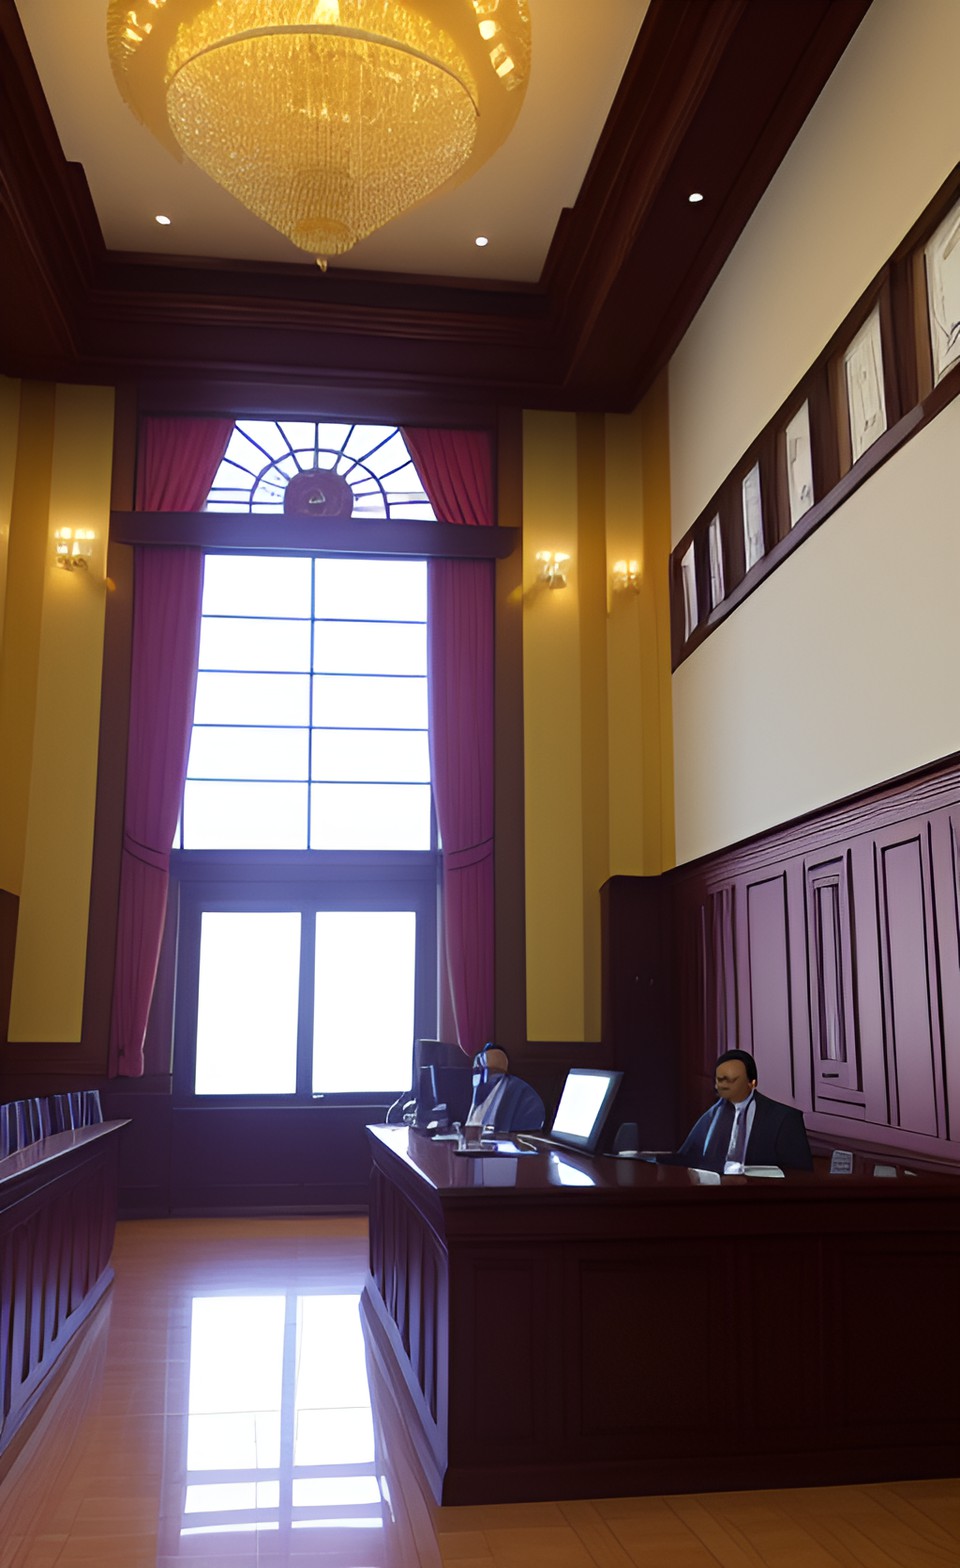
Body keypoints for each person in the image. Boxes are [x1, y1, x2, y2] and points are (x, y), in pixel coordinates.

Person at [665, 1049, 813, 1172]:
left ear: (752, 1082)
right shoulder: (711, 1116)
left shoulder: (785, 1119)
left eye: (731, 1080)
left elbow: (801, 1175)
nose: (723, 1085)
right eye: (720, 1080)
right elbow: (686, 1158)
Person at [465, 1045, 545, 1132]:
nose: (486, 1076)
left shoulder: (525, 1095)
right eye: (479, 1071)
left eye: (493, 1071)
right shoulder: (467, 1089)